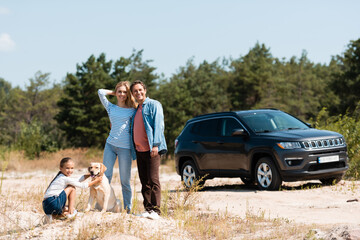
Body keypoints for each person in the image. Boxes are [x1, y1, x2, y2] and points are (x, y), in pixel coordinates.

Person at [130, 80, 167, 220]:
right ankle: (148, 209)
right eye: (135, 91)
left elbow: (159, 125)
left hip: (152, 149)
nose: (138, 93)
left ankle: (156, 211)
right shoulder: (136, 110)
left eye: (140, 90)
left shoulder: (153, 105)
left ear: (145, 90)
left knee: (153, 180)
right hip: (139, 150)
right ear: (132, 94)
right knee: (144, 180)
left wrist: (156, 145)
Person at [98, 81, 137, 212]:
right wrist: (114, 92)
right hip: (110, 145)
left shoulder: (133, 110)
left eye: (125, 92)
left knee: (125, 181)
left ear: (128, 94)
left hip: (125, 148)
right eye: (119, 92)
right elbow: (100, 92)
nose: (122, 94)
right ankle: (102, 207)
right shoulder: (111, 107)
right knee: (105, 177)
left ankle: (128, 209)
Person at [42, 157, 101, 222]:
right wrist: (96, 180)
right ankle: (71, 213)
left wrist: (90, 174)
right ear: (60, 168)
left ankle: (53, 216)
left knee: (68, 208)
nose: (70, 170)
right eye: (67, 168)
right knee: (72, 187)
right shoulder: (65, 178)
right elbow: (83, 186)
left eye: (72, 168)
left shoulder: (61, 176)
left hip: (46, 206)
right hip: (53, 202)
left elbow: (77, 180)